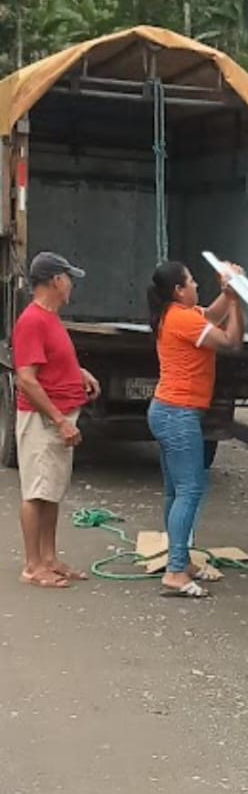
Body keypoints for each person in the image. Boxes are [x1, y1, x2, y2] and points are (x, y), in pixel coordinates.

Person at [147, 259, 245, 601]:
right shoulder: (183, 319)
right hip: (178, 414)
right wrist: (236, 300)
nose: (196, 286)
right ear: (178, 290)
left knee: (176, 492)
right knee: (190, 490)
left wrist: (227, 292)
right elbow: (231, 342)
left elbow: (212, 316)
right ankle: (175, 572)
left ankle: (180, 561)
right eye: (191, 282)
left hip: (166, 411)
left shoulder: (176, 314)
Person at [12, 252, 101, 589]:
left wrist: (79, 372)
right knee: (36, 492)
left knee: (51, 491)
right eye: (68, 278)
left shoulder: (50, 318)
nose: (71, 285)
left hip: (57, 416)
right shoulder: (33, 320)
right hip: (42, 420)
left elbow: (51, 360)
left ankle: (49, 558)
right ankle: (32, 565)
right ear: (55, 281)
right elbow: (27, 378)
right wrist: (59, 420)